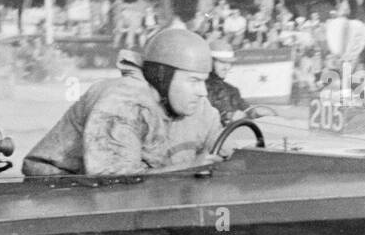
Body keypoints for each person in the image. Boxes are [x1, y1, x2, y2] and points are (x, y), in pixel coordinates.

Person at [21, 28, 223, 176]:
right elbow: (112, 180)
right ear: (163, 77)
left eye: (203, 81)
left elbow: (226, 152)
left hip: (140, 196)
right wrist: (190, 167)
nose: (202, 92)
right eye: (193, 81)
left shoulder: (199, 107)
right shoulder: (121, 101)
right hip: (59, 192)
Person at [206, 38, 274, 124]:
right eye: (222, 62)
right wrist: (227, 116)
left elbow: (247, 110)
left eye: (229, 63)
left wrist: (256, 113)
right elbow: (200, 115)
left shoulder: (232, 90)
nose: (227, 67)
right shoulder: (199, 89)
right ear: (210, 61)